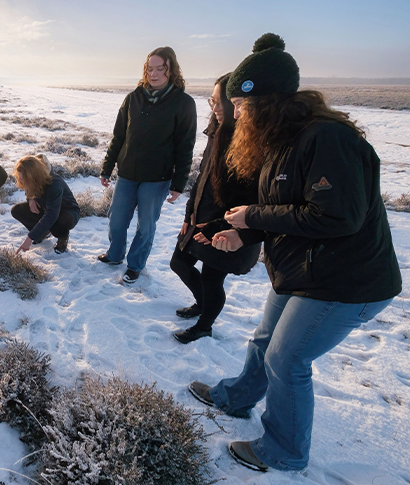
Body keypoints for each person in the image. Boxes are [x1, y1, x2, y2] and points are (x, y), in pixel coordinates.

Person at [187, 33, 401, 472]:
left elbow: (337, 217)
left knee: (288, 358)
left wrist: (254, 217)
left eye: (243, 106)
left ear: (266, 101)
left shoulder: (326, 139)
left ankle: (284, 450)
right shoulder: (281, 142)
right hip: (304, 271)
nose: (238, 114)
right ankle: (236, 398)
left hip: (346, 280)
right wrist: (243, 234)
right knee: (265, 340)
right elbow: (290, 210)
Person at [170, 73, 261, 344]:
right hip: (201, 215)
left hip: (228, 225)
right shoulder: (216, 131)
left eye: (220, 101)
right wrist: (189, 214)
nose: (216, 107)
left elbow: (253, 196)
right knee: (179, 263)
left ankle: (205, 324)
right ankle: (203, 303)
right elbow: (202, 177)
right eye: (213, 101)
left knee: (212, 277)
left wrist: (222, 227)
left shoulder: (249, 142)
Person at [98, 46, 197, 284]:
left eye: (160, 69)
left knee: (146, 225)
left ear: (170, 69)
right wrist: (107, 167)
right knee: (117, 221)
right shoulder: (133, 98)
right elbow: (118, 136)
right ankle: (114, 255)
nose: (154, 74)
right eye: (149, 69)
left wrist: (179, 182)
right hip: (127, 174)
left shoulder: (183, 103)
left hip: (157, 178)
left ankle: (135, 265)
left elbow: (185, 146)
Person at [12, 154, 80, 254]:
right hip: (47, 208)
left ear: (33, 176)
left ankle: (62, 238)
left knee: (57, 223)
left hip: (67, 212)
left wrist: (29, 238)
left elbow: (51, 215)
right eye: (20, 179)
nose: (22, 182)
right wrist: (30, 198)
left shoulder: (54, 184)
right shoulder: (36, 178)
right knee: (17, 210)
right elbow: (28, 188)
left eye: (24, 180)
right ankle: (43, 233)